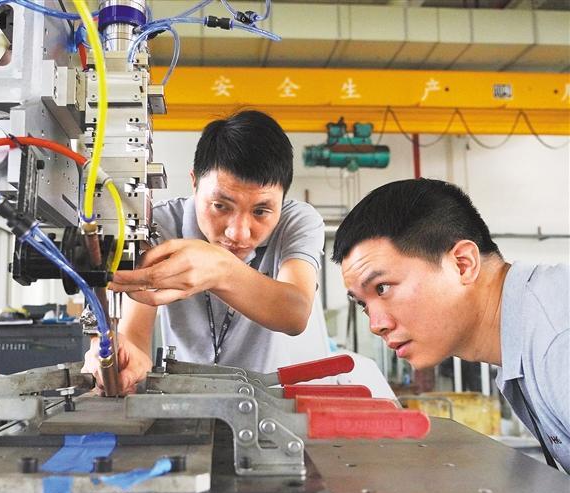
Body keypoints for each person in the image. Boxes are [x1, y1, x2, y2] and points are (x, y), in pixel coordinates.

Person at [331, 178, 569, 472]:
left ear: (462, 264)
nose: (375, 325)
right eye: (362, 304)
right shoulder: (527, 334)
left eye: (382, 288)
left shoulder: (557, 342)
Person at [83, 110, 327, 394]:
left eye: (261, 211)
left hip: (266, 399)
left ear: (283, 199)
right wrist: (127, 358)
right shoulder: (158, 225)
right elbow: (134, 331)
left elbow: (295, 312)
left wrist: (219, 270)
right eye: (221, 206)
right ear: (195, 182)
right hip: (183, 399)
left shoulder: (297, 222)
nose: (238, 233)